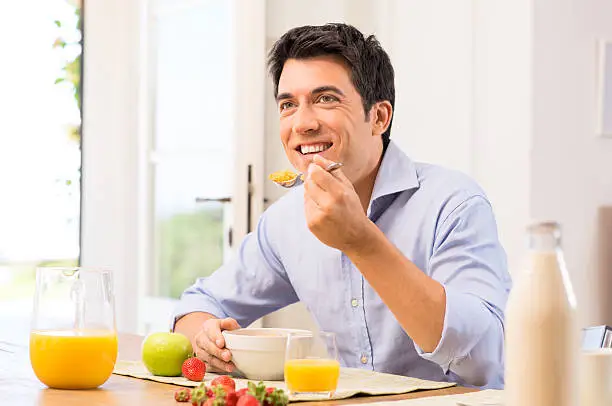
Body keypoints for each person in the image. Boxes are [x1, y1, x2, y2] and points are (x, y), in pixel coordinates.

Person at [173, 23, 511, 389]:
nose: (302, 123)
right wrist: (206, 338)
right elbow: (198, 305)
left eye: (326, 99)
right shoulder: (287, 220)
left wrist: (362, 241)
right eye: (288, 105)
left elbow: (482, 360)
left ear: (379, 117)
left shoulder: (454, 204)